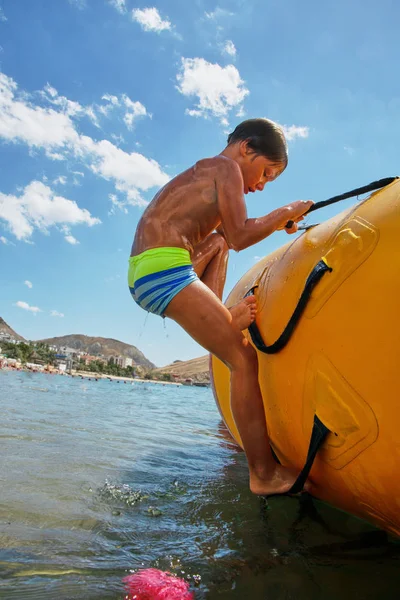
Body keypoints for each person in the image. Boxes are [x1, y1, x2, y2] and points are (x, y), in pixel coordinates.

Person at [128, 118, 313, 496]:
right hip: (164, 267)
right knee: (243, 359)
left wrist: (278, 223)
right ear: (246, 148)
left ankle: (223, 316)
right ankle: (263, 473)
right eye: (265, 172)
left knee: (219, 241)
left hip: (149, 270)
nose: (260, 185)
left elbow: (230, 236)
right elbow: (244, 233)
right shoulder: (226, 167)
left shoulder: (206, 173)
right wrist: (284, 213)